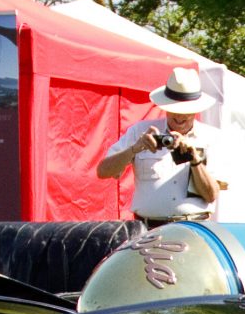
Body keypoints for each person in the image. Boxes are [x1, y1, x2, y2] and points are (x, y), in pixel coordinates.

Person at [95, 67, 230, 222]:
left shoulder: (212, 137)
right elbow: (103, 171)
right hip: (148, 230)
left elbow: (211, 195)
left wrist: (195, 159)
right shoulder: (140, 131)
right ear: (165, 107)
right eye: (174, 110)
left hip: (194, 227)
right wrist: (134, 149)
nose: (180, 116)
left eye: (186, 111)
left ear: (195, 110)